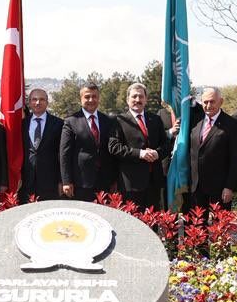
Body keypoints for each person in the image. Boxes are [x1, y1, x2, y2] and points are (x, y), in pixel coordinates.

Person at [182, 86, 237, 213]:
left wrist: (229, 187)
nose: (208, 105)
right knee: (197, 229)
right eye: (205, 102)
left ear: (221, 101)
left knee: (219, 229)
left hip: (220, 189)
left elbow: (235, 159)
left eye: (212, 101)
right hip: (196, 187)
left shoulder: (231, 124)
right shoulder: (194, 121)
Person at [109, 82, 167, 210]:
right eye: (134, 96)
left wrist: (157, 153)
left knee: (153, 223)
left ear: (146, 99)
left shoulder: (155, 120)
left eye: (141, 97)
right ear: (127, 100)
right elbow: (114, 147)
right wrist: (140, 154)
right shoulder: (118, 120)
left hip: (154, 182)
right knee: (133, 224)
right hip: (131, 183)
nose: (137, 100)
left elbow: (166, 145)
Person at [59, 83, 115, 201]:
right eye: (87, 97)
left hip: (104, 181)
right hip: (80, 183)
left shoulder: (108, 120)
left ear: (99, 98)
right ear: (81, 99)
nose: (91, 100)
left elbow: (111, 152)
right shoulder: (71, 121)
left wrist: (114, 180)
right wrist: (66, 181)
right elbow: (64, 153)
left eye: (94, 96)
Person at [19, 87, 64, 202]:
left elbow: (62, 154)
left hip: (50, 182)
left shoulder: (59, 124)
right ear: (29, 103)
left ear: (47, 102)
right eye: (34, 99)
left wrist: (61, 180)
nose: (38, 102)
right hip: (26, 182)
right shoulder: (21, 124)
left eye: (42, 99)